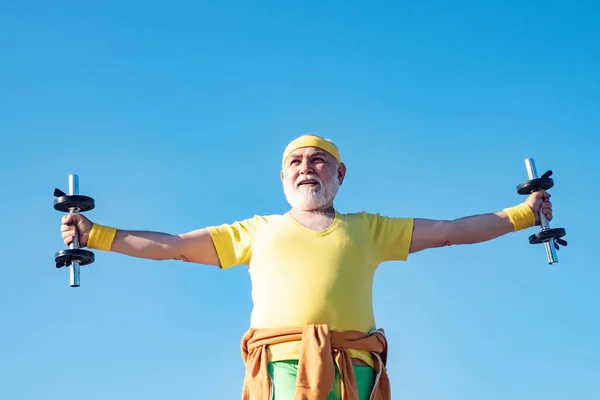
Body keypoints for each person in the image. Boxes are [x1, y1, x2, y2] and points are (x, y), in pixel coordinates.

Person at [60, 134, 552, 400]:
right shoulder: (256, 231)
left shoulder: (370, 228)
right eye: (295, 162)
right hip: (280, 370)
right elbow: (172, 246)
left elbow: (451, 231)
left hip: (354, 370)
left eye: (318, 161)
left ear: (340, 174)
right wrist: (97, 235)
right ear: (282, 177)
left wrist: (524, 215)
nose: (306, 168)